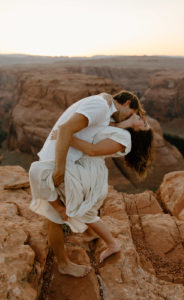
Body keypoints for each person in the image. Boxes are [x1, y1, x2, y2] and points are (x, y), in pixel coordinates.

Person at [29, 91, 150, 277]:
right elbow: (110, 124)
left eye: (140, 119)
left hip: (72, 165)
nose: (137, 117)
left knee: (40, 177)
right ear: (126, 103)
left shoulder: (107, 115)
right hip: (61, 160)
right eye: (134, 113)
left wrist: (63, 137)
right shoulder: (101, 106)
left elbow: (93, 144)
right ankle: (65, 258)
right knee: (57, 214)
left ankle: (67, 237)